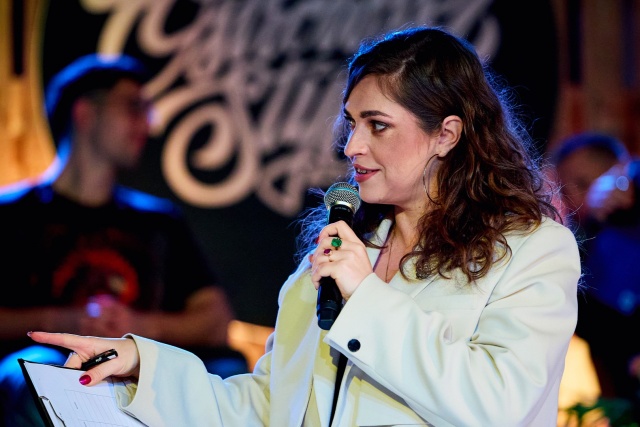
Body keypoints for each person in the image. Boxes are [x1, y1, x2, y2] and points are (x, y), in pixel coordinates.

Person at [28, 26, 580, 426]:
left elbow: (500, 405)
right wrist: (141, 366)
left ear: (446, 134)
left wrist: (366, 297)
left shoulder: (532, 250)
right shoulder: (340, 253)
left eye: (378, 126)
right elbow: (268, 407)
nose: (352, 145)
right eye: (352, 123)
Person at [0, 53, 247, 426]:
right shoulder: (11, 213)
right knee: (42, 374)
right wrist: (65, 321)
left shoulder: (159, 221)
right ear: (86, 113)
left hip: (139, 373)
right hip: (49, 364)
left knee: (231, 374)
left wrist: (136, 327)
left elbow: (215, 320)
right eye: (133, 107)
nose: (146, 123)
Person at [551, 131, 640, 417]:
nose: (574, 201)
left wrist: (629, 177)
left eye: (581, 184)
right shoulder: (580, 257)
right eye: (565, 193)